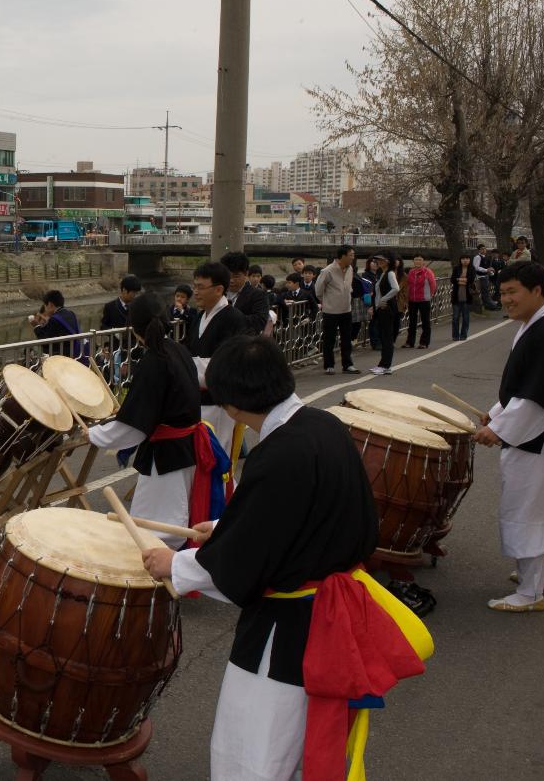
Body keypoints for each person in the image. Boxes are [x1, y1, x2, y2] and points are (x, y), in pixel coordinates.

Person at [140, 335, 428, 781]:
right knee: (299, 737)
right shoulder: (324, 425)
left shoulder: (278, 454)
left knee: (256, 744)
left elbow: (244, 559)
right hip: (328, 612)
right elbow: (298, 517)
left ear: (232, 405)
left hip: (288, 626)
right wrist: (222, 528)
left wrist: (174, 565)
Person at [88, 293, 224, 547]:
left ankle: (158, 574)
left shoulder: (154, 361)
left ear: (134, 329)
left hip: (166, 455)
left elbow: (133, 427)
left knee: (159, 527)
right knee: (177, 515)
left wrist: (93, 434)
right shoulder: (178, 350)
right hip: (185, 447)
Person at [475, 262, 544, 612]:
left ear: (537, 290)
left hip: (536, 440)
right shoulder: (533, 324)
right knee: (536, 509)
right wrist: (498, 411)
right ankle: (533, 579)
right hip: (533, 435)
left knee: (525, 510)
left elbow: (537, 397)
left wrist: (498, 429)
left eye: (512, 292)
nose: (505, 299)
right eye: (502, 292)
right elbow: (523, 388)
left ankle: (530, 593)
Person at [185, 261, 248, 455]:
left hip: (219, 403)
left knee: (216, 458)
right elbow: (189, 352)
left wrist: (187, 367)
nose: (195, 292)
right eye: (194, 286)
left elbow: (224, 364)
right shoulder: (199, 317)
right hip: (197, 401)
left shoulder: (233, 318)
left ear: (219, 289)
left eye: (201, 287)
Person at [313, 245, 359, 376]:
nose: (353, 258)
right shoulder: (327, 271)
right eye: (351, 255)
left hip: (346, 309)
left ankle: (348, 364)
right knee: (329, 339)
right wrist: (328, 302)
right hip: (331, 311)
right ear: (343, 256)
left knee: (346, 338)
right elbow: (318, 291)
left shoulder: (350, 268)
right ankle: (329, 365)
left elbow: (348, 287)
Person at [220, 251, 270, 334]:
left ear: (246, 273)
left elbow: (259, 321)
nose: (231, 280)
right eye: (228, 276)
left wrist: (229, 316)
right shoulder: (218, 293)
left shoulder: (258, 295)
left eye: (236, 276)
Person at [30, 290, 87, 362]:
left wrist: (36, 326)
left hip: (66, 358)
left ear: (50, 305)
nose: (45, 309)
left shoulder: (55, 319)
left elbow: (45, 342)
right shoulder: (70, 313)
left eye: (45, 306)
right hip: (78, 353)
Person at [369, 254, 401, 375]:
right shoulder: (382, 273)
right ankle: (382, 364)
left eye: (382, 259)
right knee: (383, 336)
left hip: (387, 309)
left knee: (387, 338)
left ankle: (386, 365)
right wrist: (376, 306)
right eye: (378, 260)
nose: (379, 261)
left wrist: (384, 299)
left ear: (388, 261)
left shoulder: (390, 273)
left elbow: (396, 288)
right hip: (381, 309)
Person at [403, 254, 436, 349]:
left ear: (423, 261)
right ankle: (410, 342)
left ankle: (424, 342)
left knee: (425, 322)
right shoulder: (411, 272)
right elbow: (408, 285)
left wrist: (430, 295)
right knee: (412, 322)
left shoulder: (427, 272)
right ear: (413, 261)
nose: (417, 261)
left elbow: (433, 285)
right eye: (416, 260)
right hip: (412, 300)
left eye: (419, 260)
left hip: (424, 300)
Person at [450, 255, 477, 340]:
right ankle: (455, 335)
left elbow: (471, 280)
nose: (465, 260)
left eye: (467, 259)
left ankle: (463, 335)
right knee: (455, 317)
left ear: (469, 260)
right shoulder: (456, 268)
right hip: (456, 296)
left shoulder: (472, 269)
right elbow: (453, 280)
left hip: (467, 295)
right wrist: (462, 280)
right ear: (460, 260)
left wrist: (460, 280)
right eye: (463, 259)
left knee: (465, 317)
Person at [473, 244, 500, 311]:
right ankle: (491, 305)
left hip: (485, 276)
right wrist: (486, 270)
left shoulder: (485, 257)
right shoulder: (477, 257)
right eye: (482, 249)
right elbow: (476, 267)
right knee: (485, 292)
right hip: (480, 277)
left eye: (485, 248)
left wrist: (491, 272)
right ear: (479, 250)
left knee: (486, 291)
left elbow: (487, 267)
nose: (484, 250)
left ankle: (488, 305)